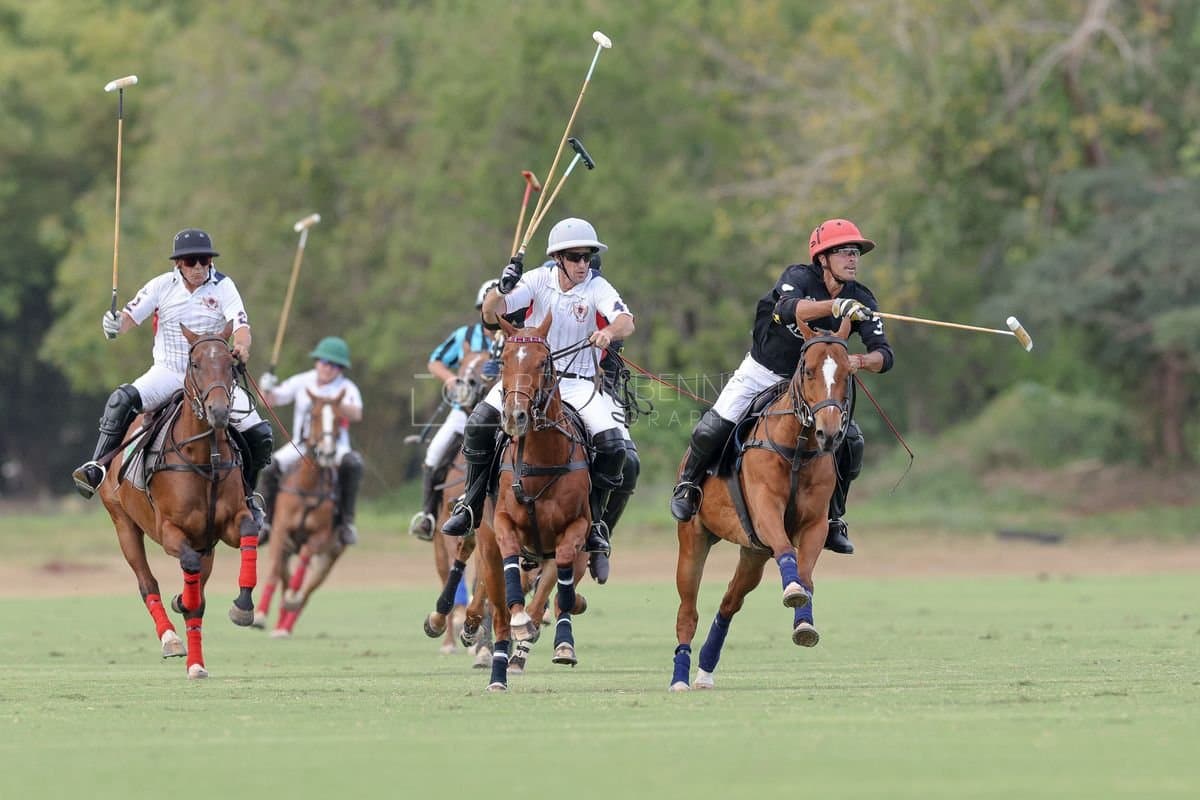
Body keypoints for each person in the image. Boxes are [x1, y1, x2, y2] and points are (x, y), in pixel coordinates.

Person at [668, 218, 894, 555]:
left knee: (852, 441)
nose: (852, 258)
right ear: (822, 258)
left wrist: (859, 361)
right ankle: (688, 485)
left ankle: (834, 517)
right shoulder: (798, 278)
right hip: (764, 371)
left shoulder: (861, 298)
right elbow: (788, 309)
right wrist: (832, 306)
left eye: (855, 253)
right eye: (844, 252)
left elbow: (884, 355)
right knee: (713, 426)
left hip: (816, 385)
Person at [441, 218, 635, 565]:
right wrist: (500, 288)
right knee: (478, 424)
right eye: (575, 257)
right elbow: (491, 315)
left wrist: (609, 332)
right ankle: (470, 505)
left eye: (587, 256)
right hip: (528, 376)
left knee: (613, 445)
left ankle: (595, 523)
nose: (583, 264)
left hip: (577, 384)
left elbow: (625, 320)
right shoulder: (536, 280)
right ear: (558, 258)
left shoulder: (597, 287)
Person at [71, 228, 274, 528]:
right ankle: (97, 467)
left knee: (261, 434)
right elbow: (129, 319)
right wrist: (114, 325)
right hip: (169, 372)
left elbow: (241, 325)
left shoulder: (224, 286)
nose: (198, 267)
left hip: (212, 378)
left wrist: (242, 346)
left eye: (204, 260)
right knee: (120, 400)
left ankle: (248, 495)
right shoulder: (161, 286)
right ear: (178, 263)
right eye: (191, 261)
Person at [408, 279, 500, 541]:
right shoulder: (465, 336)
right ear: (482, 309)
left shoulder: (516, 335)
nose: (495, 313)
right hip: (464, 411)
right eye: (489, 308)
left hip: (501, 414)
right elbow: (435, 361)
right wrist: (451, 380)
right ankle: (428, 516)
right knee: (434, 452)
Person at [257, 337, 365, 545]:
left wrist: (333, 405)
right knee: (270, 468)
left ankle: (346, 523)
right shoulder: (302, 381)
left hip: (334, 446)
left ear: (341, 369)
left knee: (354, 464)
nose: (328, 368)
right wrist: (266, 388)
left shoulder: (347, 387)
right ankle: (265, 522)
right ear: (317, 361)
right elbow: (268, 402)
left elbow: (357, 413)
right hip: (301, 445)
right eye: (325, 362)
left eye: (335, 365)